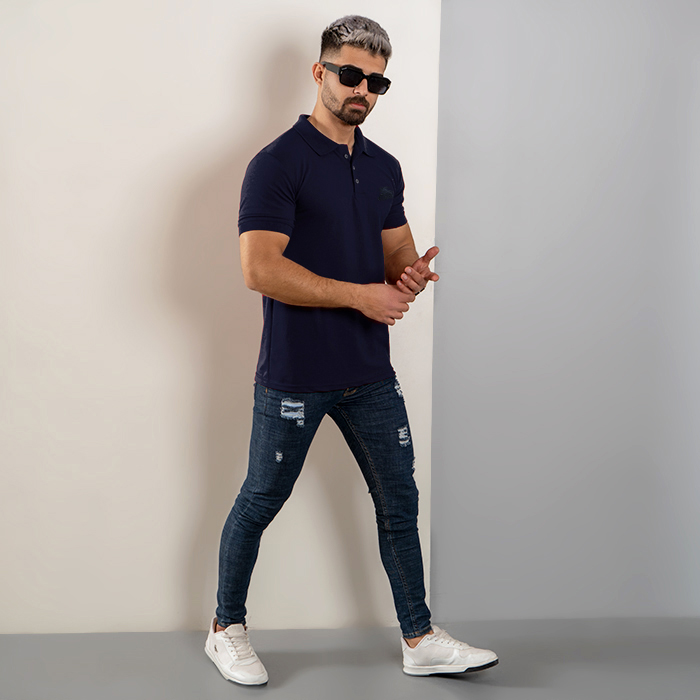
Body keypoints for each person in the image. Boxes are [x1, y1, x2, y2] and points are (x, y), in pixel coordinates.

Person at [204, 15, 498, 686]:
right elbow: (259, 269)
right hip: (295, 374)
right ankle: (226, 628)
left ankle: (419, 638)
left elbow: (396, 256)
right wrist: (361, 297)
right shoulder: (277, 163)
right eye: (350, 74)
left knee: (399, 501)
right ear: (320, 72)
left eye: (376, 81)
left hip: (369, 372)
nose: (362, 89)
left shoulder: (383, 166)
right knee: (260, 499)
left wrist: (408, 278)